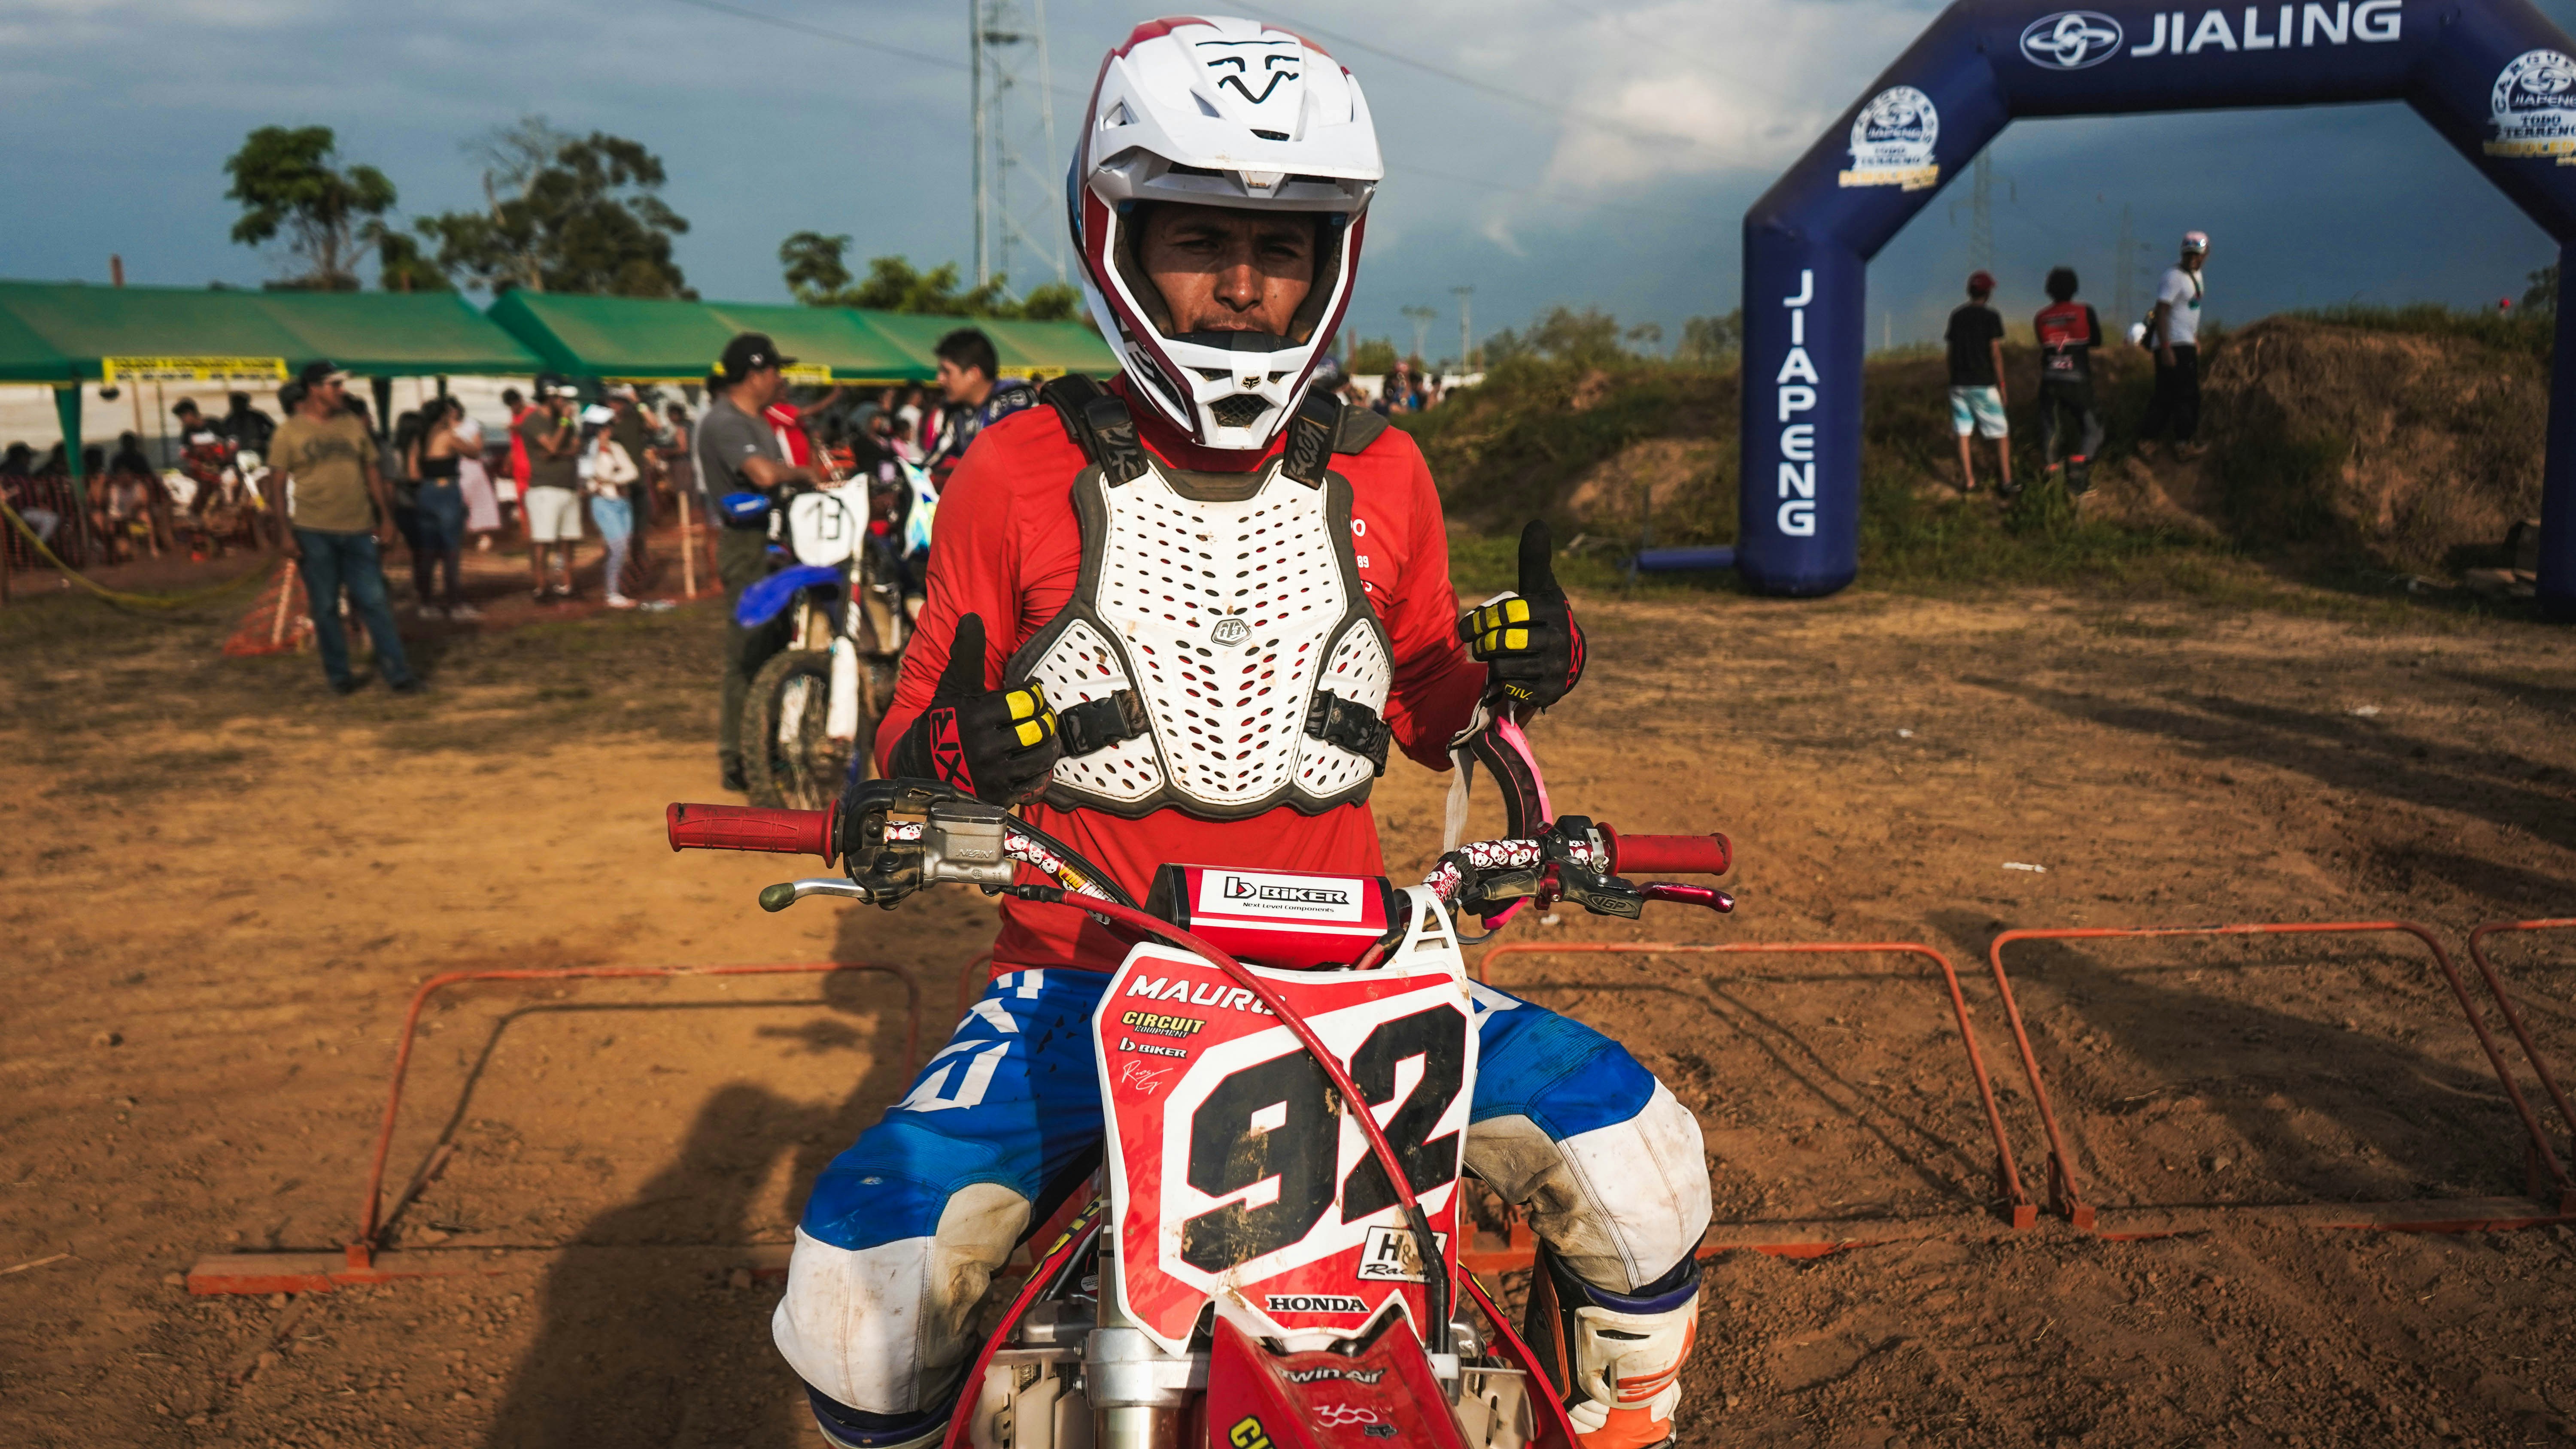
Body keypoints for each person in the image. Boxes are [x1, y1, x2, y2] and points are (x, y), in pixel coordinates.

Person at [769, 21, 1709, 1449]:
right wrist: (979, 749)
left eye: (1285, 250)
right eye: (1199, 239)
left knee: (1645, 1169)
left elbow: (1420, 707)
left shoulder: (1386, 469)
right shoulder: (1011, 470)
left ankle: (1623, 1423)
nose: (1243, 285)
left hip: (1359, 974)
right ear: (1119, 239)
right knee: (860, 1284)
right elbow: (908, 747)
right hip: (1080, 971)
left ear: (1334, 261)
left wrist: (1516, 669)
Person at [695, 332, 826, 791]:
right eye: (776, 370)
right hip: (747, 547)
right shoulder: (726, 422)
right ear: (756, 374)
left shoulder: (756, 421)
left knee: (774, 648)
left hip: (773, 546)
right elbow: (765, 475)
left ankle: (764, 751)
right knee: (748, 651)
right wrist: (805, 473)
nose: (781, 378)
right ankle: (738, 759)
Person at [265, 361, 418, 695]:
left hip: (360, 530)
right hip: (313, 530)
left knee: (375, 601)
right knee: (325, 606)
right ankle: (340, 676)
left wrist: (387, 519)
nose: (342, 391)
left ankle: (399, 673)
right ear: (315, 389)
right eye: (335, 385)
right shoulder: (289, 432)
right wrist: (285, 532)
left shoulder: (352, 424)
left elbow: (373, 472)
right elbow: (276, 486)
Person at [924, 327, 1036, 482]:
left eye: (947, 372)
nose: (939, 379)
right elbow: (933, 462)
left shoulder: (1015, 401)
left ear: (973, 374)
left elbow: (1005, 464)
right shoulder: (958, 414)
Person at [2032, 267, 2106, 498]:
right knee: (2093, 430)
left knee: (2050, 430)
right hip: (2077, 381)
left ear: (2049, 290)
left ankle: (2050, 479)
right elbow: (2096, 341)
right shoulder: (2086, 312)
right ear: (2075, 288)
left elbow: (2043, 345)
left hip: (2050, 381)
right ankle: (2078, 467)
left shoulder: (2041, 317)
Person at [2139, 230, 2210, 458]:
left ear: (2206, 254)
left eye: (2197, 254)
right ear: (2182, 253)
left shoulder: (2196, 277)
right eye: (2189, 254)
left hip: (2184, 342)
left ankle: (2147, 441)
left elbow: (2188, 311)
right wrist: (2167, 347)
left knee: (2166, 395)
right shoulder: (2173, 277)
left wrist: (2195, 338)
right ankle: (2183, 444)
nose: (2193, 258)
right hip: (2174, 344)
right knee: (2188, 395)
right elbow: (2162, 310)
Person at [1944, 269, 2011, 495]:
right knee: (2001, 434)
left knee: (1963, 433)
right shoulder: (1991, 317)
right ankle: (2006, 482)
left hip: (1958, 384)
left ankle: (1970, 482)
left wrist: (1952, 377)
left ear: (1970, 291)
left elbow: (1950, 353)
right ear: (1988, 293)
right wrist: (2002, 386)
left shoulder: (1957, 316)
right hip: (1983, 384)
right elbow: (1995, 354)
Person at [517, 375, 584, 600]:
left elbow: (575, 448)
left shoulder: (563, 421)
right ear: (549, 395)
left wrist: (557, 451)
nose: (564, 402)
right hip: (544, 489)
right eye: (560, 396)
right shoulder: (533, 421)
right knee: (543, 540)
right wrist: (564, 425)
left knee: (568, 540)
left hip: (568, 487)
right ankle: (541, 587)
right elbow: (553, 446)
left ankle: (568, 585)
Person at [410, 398, 477, 618]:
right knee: (451, 551)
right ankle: (456, 604)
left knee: (428, 551)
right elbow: (474, 452)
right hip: (447, 491)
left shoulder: (418, 441)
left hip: (425, 493)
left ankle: (427, 603)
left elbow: (413, 475)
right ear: (442, 417)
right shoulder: (447, 436)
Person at [583, 404, 643, 608]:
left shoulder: (616, 448)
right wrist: (611, 477)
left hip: (622, 503)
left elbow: (632, 472)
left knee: (622, 547)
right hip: (604, 504)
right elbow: (590, 484)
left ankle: (615, 589)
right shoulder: (589, 452)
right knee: (618, 547)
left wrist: (608, 479)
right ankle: (612, 593)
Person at [220, 391, 276, 457]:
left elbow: (274, 429)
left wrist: (262, 441)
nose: (236, 406)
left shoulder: (257, 417)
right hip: (237, 454)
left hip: (257, 451)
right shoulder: (229, 420)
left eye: (239, 403)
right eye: (235, 404)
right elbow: (223, 436)